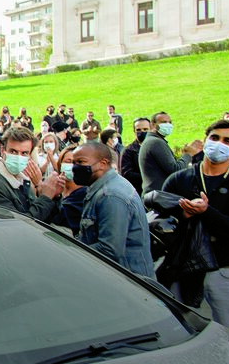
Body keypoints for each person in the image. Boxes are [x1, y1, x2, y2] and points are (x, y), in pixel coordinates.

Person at [161, 120, 229, 333]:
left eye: (228, 141)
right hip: (183, 269)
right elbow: (161, 223)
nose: (219, 144)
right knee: (181, 330)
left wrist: (207, 213)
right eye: (215, 138)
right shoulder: (179, 179)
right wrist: (183, 214)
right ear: (205, 139)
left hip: (225, 270)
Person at [72, 142, 154, 277]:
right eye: (74, 162)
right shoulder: (102, 188)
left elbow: (109, 250)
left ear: (102, 164)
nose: (75, 167)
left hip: (128, 282)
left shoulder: (110, 195)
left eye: (81, 162)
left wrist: (71, 252)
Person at [0, 126, 64, 221]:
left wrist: (53, 196)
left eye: (24, 153)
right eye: (13, 151)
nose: (18, 157)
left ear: (30, 155)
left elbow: (44, 220)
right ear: (2, 150)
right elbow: (20, 226)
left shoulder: (22, 179)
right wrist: (46, 197)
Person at [139, 111, 202, 193]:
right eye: (164, 122)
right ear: (152, 125)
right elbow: (175, 170)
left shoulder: (152, 140)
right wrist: (188, 154)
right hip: (159, 196)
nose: (168, 125)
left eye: (170, 122)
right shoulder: (156, 142)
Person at [50, 145, 87, 236]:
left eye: (77, 163)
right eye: (68, 161)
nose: (72, 166)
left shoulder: (84, 194)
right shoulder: (56, 187)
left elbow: (62, 219)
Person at [119, 117, 150, 194]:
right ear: (134, 131)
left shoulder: (159, 147)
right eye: (138, 130)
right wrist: (149, 176)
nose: (142, 132)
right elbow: (127, 174)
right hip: (138, 192)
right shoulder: (128, 151)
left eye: (145, 129)